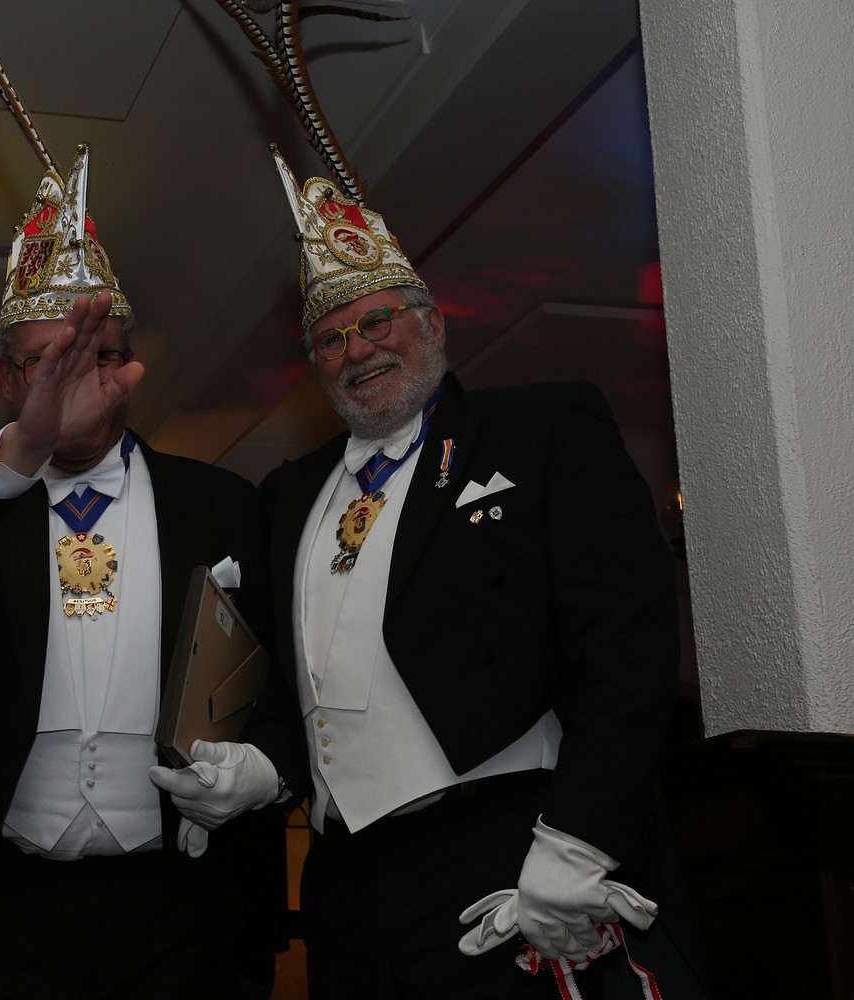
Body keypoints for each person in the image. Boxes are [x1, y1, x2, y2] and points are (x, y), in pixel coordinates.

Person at [151, 147, 704, 998]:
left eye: (376, 322)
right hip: (344, 883)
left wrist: (579, 838)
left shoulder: (540, 430)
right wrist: (260, 770)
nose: (357, 350)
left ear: (433, 323)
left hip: (510, 853)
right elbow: (299, 687)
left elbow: (627, 641)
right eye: (331, 337)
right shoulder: (289, 495)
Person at [0, 145, 280, 1000]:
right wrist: (29, 441)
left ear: (127, 367)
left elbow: (283, 668)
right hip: (13, 898)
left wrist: (269, 767)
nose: (77, 379)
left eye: (98, 356)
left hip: (180, 898)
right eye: (48, 361)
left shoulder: (221, 503)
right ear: (7, 379)